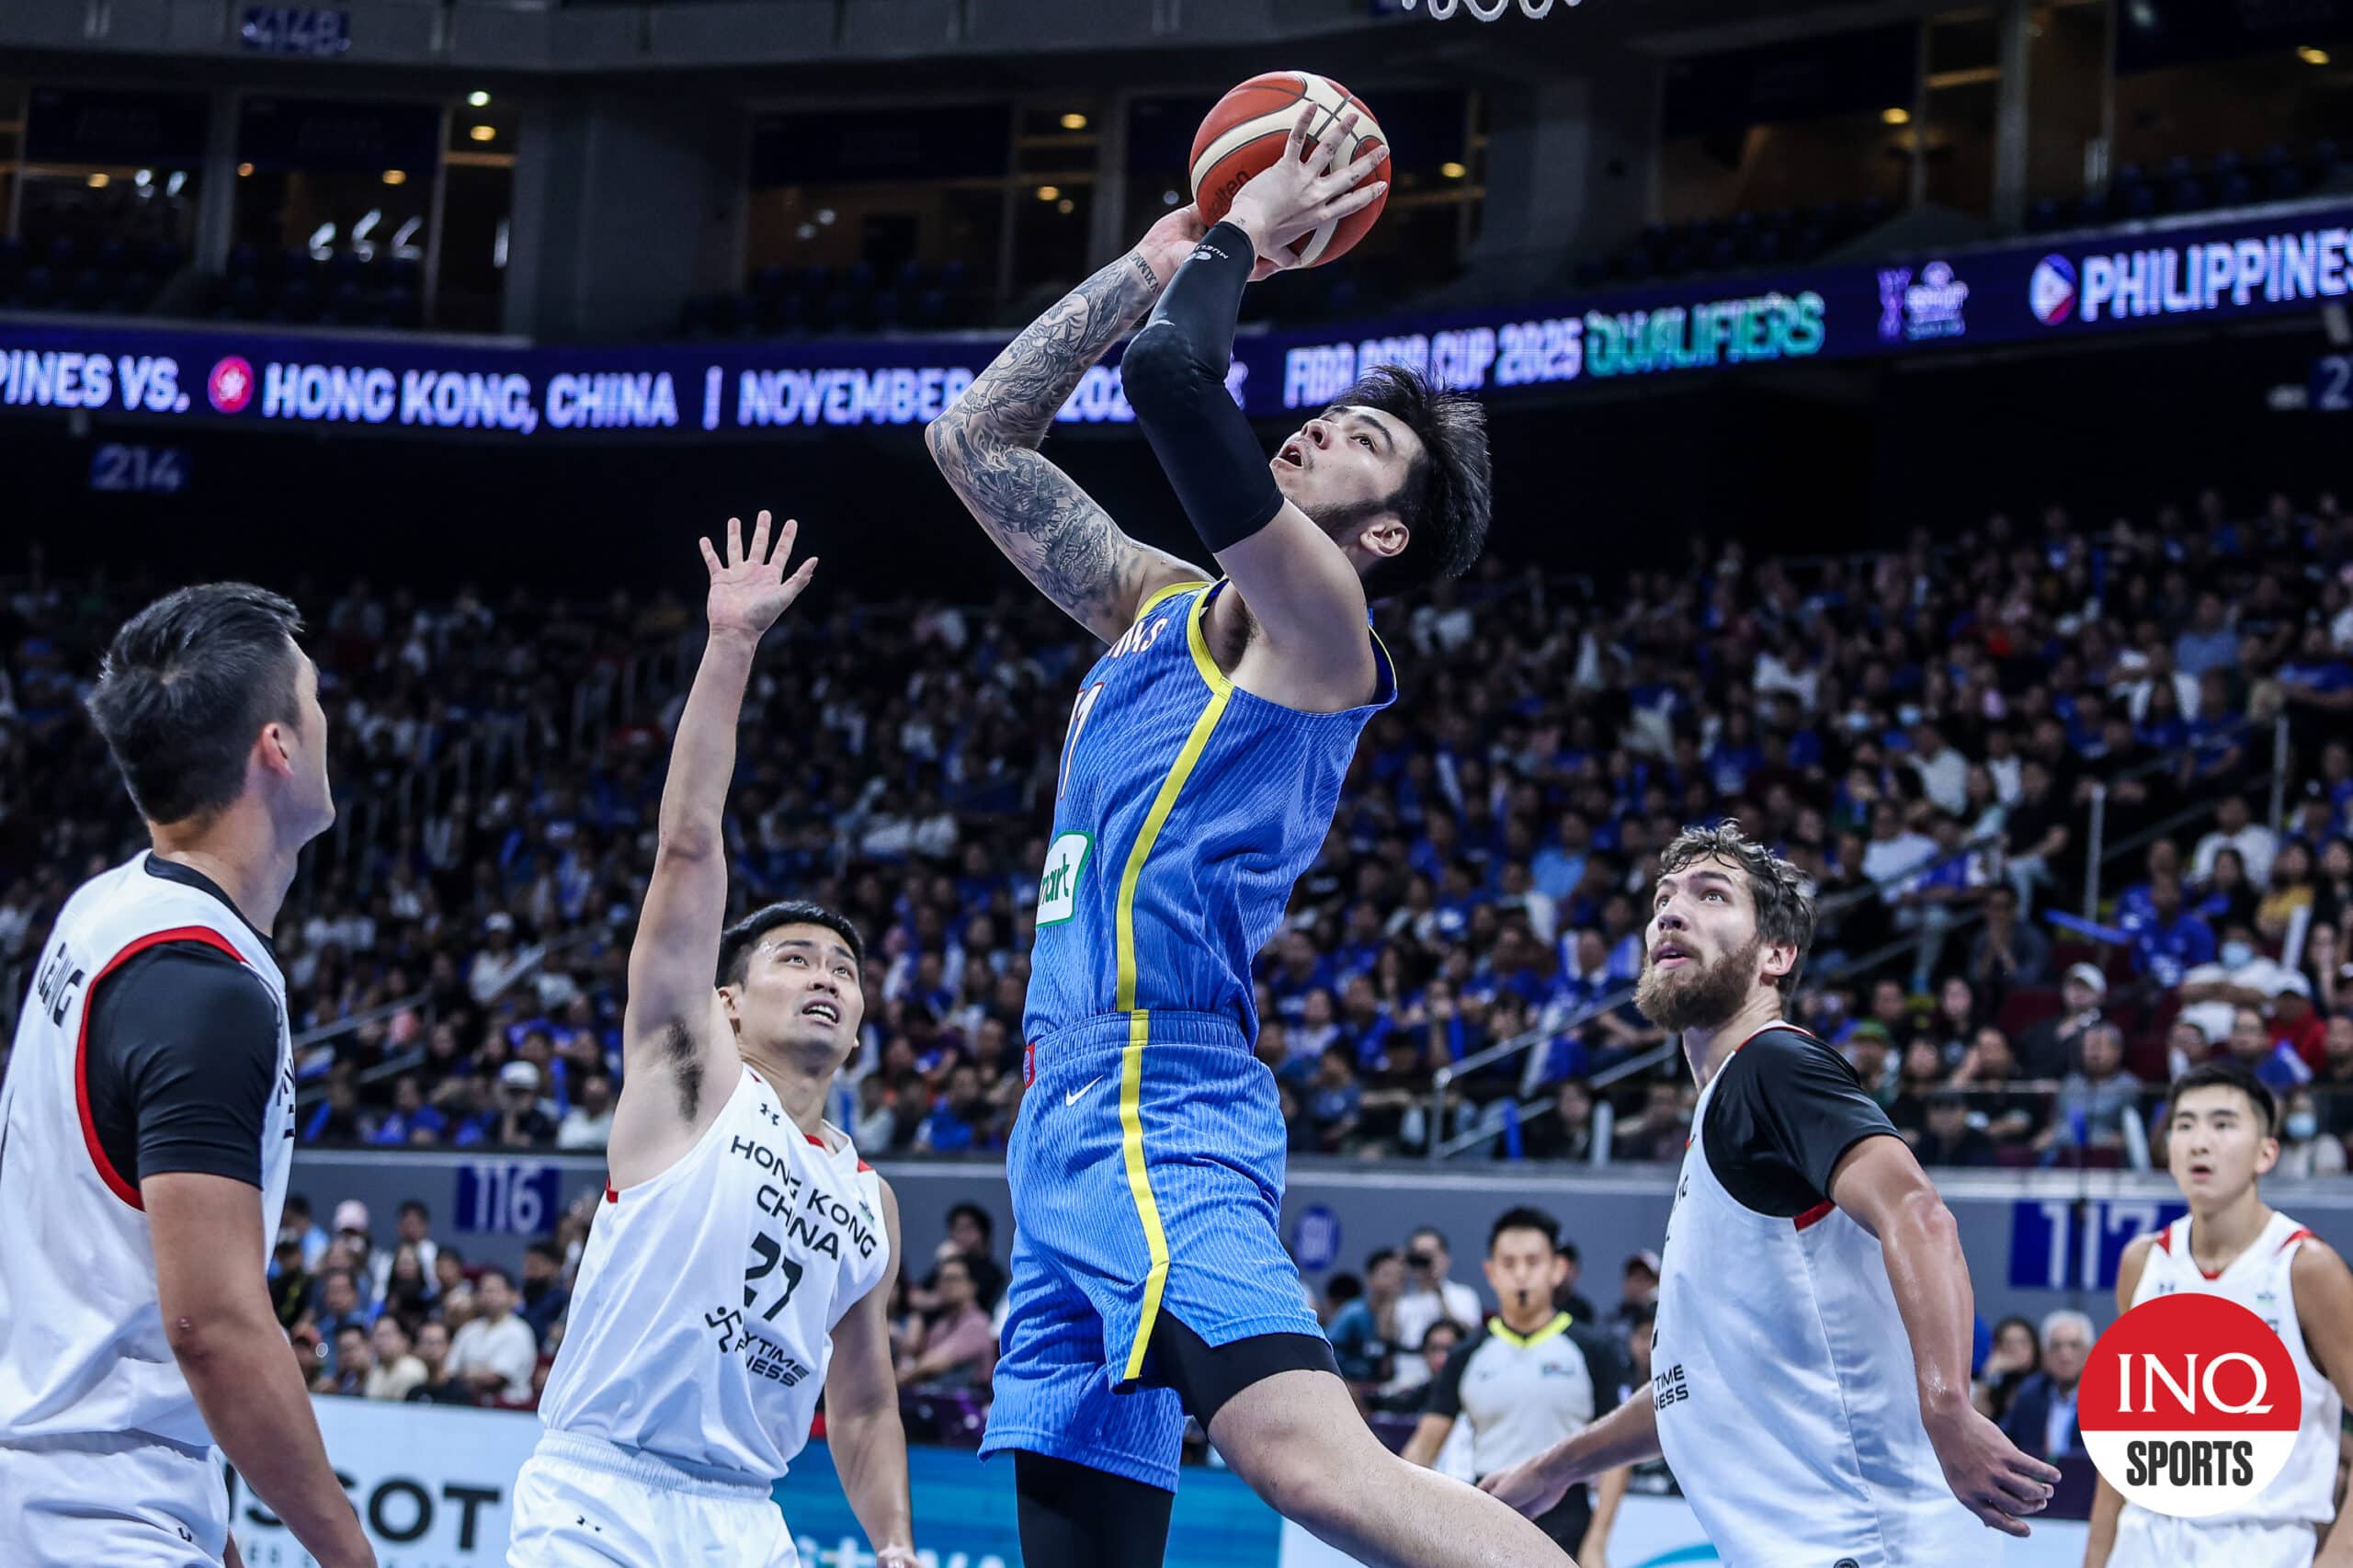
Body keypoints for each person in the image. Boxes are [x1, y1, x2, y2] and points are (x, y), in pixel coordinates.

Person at [929, 104, 1551, 1568]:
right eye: (1334, 410)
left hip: (1165, 1095)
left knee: (1310, 1465)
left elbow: (1170, 377)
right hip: (1060, 1117)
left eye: (1365, 439)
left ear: (1381, 533)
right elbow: (974, 438)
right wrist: (1150, 260)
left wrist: (1242, 236)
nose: (1324, 423)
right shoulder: (1157, 604)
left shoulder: (1322, 627)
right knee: (1079, 1547)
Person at [1479, 822, 2060, 1562]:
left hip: (1861, 1546)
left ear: (1776, 957)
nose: (1670, 912)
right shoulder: (1728, 1111)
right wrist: (1555, 1467)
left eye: (1711, 895)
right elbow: (1697, 1387)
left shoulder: (1771, 1065)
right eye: (1663, 898)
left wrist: (1947, 1405)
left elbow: (1918, 1214)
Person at [508, 519, 915, 1568]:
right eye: (795, 958)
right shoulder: (689, 1077)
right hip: (602, 1492)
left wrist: (899, 1543)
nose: (826, 974)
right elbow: (688, 845)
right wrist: (730, 643)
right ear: (726, 1001)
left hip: (747, 1518)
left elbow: (863, 1399)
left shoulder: (871, 1201)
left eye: (844, 967)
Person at [0, 584, 373, 1568]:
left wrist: (207, 1523)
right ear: (277, 746)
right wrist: (350, 1554)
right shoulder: (202, 986)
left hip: (64, 1479)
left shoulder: (103, 905)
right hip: (93, 1510)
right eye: (315, 699)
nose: (329, 721)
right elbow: (209, 1320)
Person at [2087, 1062, 2353, 1568]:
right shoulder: (2143, 1262)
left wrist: (2338, 1558)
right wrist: (2096, 1558)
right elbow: (2119, 1439)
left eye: (2223, 1124)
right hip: (2142, 1540)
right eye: (2184, 1125)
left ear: (2266, 1152)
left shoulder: (2305, 1268)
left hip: (2262, 1545)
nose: (2198, 1141)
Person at [1401, 1209, 1630, 1562]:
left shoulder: (1594, 1350)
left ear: (1557, 1269)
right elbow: (1423, 1449)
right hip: (1485, 1520)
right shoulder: (1466, 1354)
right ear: (1490, 1272)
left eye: (1533, 1262)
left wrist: (1596, 1544)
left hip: (1568, 1527)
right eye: (1508, 1263)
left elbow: (1618, 1454)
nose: (1521, 1275)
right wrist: (1400, 1522)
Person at [1995, 1311, 2090, 1460]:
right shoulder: (2029, 1394)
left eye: (2074, 1345)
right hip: (2036, 1481)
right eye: (2056, 1346)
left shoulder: (2110, 1398)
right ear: (2045, 1354)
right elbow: (2003, 1441)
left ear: (2089, 1352)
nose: (2065, 1355)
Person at [448, 1267, 538, 1403]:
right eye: (483, 1290)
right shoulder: (468, 1329)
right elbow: (450, 1372)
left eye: (494, 1291)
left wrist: (466, 1374)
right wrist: (474, 1374)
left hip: (509, 1408)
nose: (488, 1296)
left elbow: (494, 1379)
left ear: (512, 1296)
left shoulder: (518, 1331)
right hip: (467, 1404)